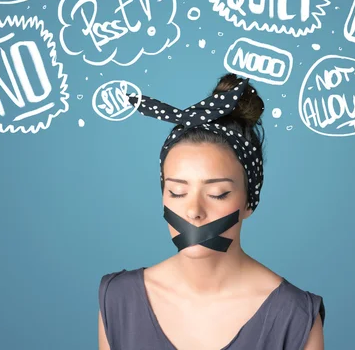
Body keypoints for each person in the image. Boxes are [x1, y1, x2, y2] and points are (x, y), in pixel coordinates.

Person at [98, 73, 325, 350]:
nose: (194, 211)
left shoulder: (295, 316)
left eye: (218, 194)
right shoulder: (118, 300)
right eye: (177, 192)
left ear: (249, 201)